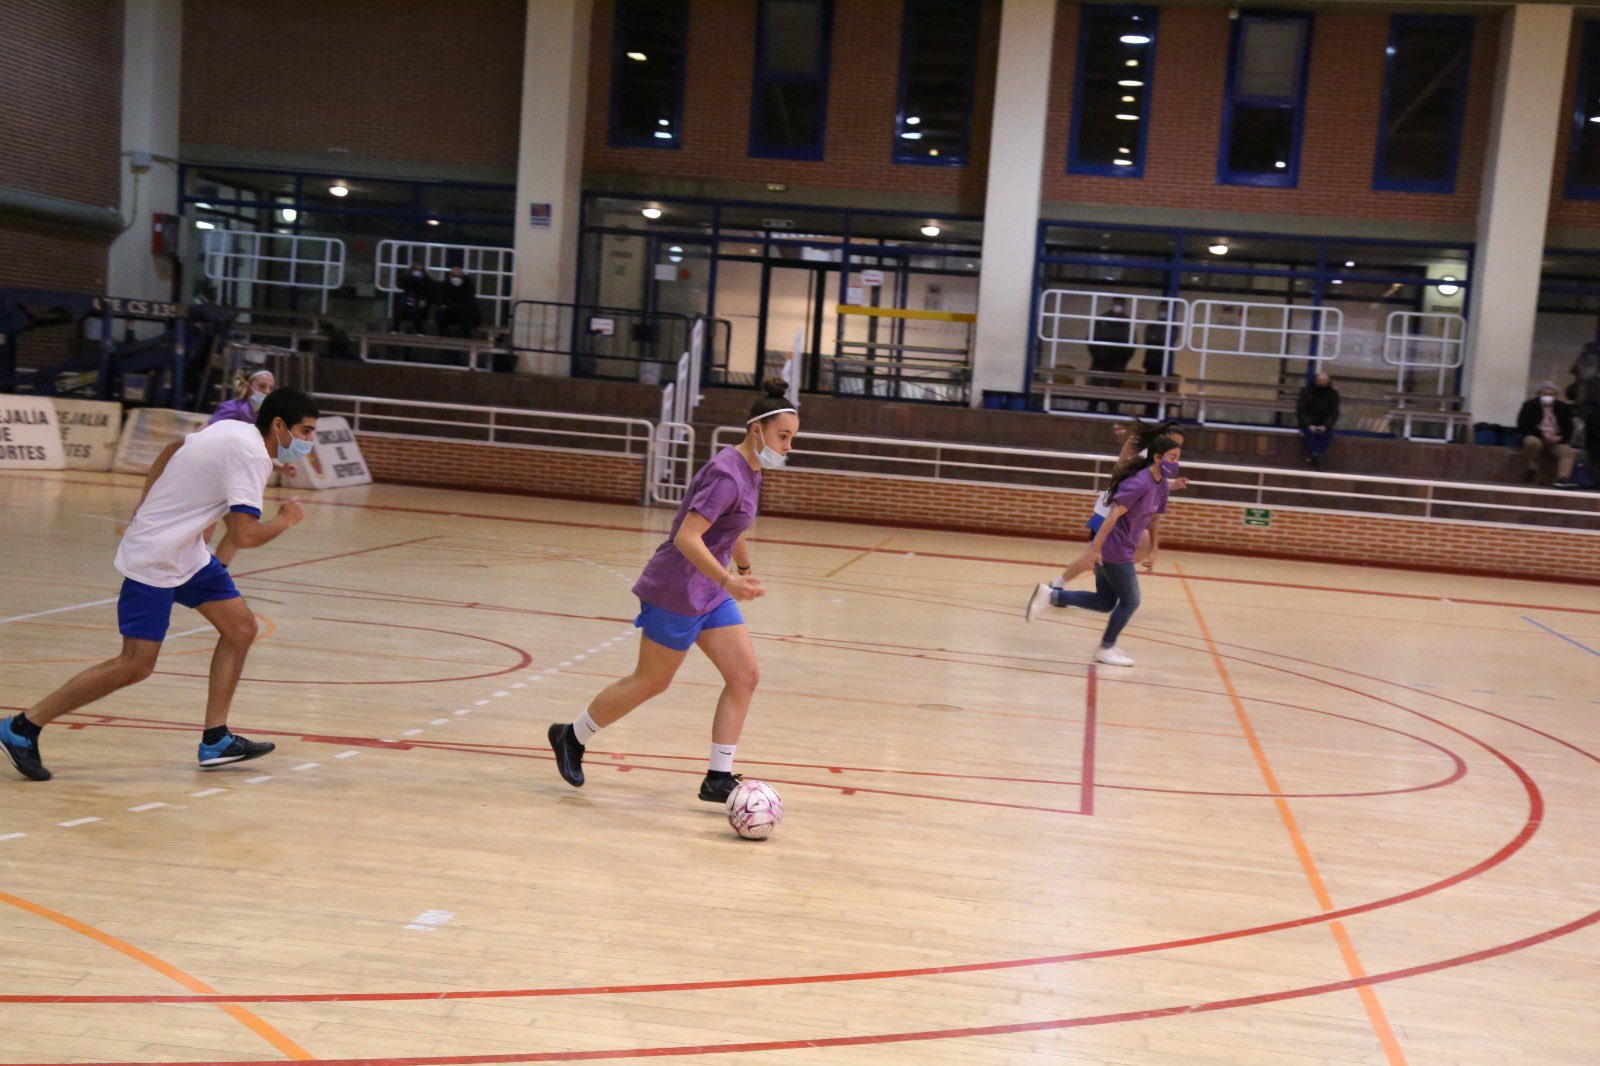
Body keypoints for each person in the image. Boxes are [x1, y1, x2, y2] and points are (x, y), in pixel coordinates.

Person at [0, 388, 318, 782]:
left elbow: (171, 448)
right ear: (279, 425)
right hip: (155, 557)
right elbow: (244, 535)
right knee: (136, 664)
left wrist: (145, 503)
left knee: (241, 629)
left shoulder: (233, 429)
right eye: (305, 431)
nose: (309, 441)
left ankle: (216, 740)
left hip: (187, 553)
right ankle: (22, 727)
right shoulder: (252, 456)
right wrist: (285, 520)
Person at [548, 378, 799, 804]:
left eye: (792, 438)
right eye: (784, 436)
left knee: (744, 676)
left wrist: (743, 569)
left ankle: (718, 778)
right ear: (757, 430)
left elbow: (734, 525)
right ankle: (571, 736)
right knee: (651, 681)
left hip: (710, 590)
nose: (789, 447)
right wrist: (729, 581)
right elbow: (687, 536)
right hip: (677, 589)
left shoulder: (750, 469)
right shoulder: (726, 474)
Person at [1025, 436, 1182, 667]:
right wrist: (1095, 548)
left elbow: (1154, 518)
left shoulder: (1161, 486)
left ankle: (1051, 596)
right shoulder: (1139, 482)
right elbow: (1113, 515)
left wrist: (1154, 549)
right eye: (1172, 458)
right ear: (1158, 458)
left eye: (1178, 459)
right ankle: (1106, 648)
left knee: (1105, 601)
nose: (1176, 463)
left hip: (1122, 547)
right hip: (1114, 548)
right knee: (1131, 601)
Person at [1517, 380, 1578, 488]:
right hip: (1536, 437)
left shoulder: (1562, 407)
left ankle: (1562, 479)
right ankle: (1532, 467)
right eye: (1545, 394)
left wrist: (1560, 438)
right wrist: (1542, 435)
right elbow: (1523, 425)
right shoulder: (1529, 405)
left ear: (1556, 395)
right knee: (1532, 442)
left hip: (1555, 441)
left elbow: (1569, 428)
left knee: (1568, 451)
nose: (1548, 396)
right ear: (1539, 394)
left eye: (1551, 394)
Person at [1085, 300, 1133, 414]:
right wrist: (1096, 355)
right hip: (1099, 360)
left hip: (1118, 361)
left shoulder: (1127, 322)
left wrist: (1123, 359)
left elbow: (1132, 344)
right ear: (1112, 305)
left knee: (1114, 390)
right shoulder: (1102, 319)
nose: (1118, 306)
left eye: (1120, 304)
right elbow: (1090, 338)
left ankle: (1113, 413)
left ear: (1124, 306)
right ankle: (1091, 411)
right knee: (1096, 387)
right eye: (1117, 304)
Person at [1296, 371, 1340, 469]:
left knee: (1327, 434)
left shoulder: (1333, 394)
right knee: (1309, 434)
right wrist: (1309, 424)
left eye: (1325, 380)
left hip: (1324, 424)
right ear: (1316, 380)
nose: (1322, 382)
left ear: (1328, 381)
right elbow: (1302, 411)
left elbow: (1334, 413)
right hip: (1308, 423)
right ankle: (1317, 455)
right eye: (1320, 380)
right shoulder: (1306, 392)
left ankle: (1315, 455)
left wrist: (1325, 426)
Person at [208, 368, 274, 426]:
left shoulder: (265, 414)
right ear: (248, 387)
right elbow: (205, 432)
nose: (268, 392)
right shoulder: (232, 408)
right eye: (262, 386)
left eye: (271, 388)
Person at [434, 266, 480, 339]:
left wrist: (454, 305)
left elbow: (469, 302)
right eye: (454, 276)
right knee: (441, 312)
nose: (456, 278)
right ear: (450, 276)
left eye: (458, 276)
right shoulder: (444, 285)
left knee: (468, 314)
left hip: (462, 312)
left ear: (462, 276)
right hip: (449, 312)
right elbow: (441, 298)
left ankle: (466, 338)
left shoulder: (468, 286)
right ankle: (443, 336)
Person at [394, 261, 433, 334]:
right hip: (407, 297)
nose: (418, 272)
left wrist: (425, 300)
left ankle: (420, 331)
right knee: (399, 308)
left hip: (419, 299)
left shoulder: (426, 280)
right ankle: (395, 329)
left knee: (415, 311)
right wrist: (410, 277)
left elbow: (429, 292)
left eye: (420, 270)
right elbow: (400, 285)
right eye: (416, 269)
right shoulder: (407, 277)